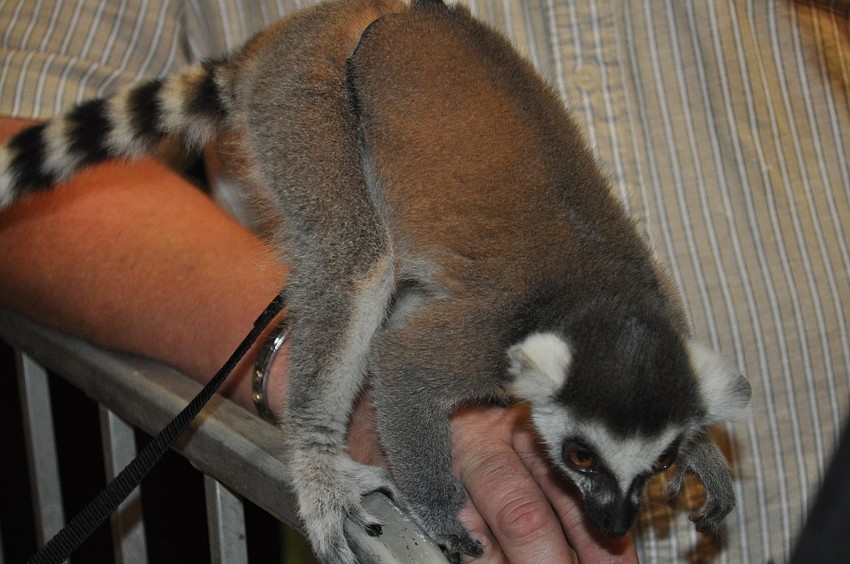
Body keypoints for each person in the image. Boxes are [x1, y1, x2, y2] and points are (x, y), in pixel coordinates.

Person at [3, 0, 850, 562]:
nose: (607, 498)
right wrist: (437, 502)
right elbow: (406, 374)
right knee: (356, 267)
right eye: (588, 461)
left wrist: (675, 430)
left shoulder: (626, 304)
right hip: (321, 88)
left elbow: (643, 334)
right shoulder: (492, 344)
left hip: (816, 504)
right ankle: (313, 454)